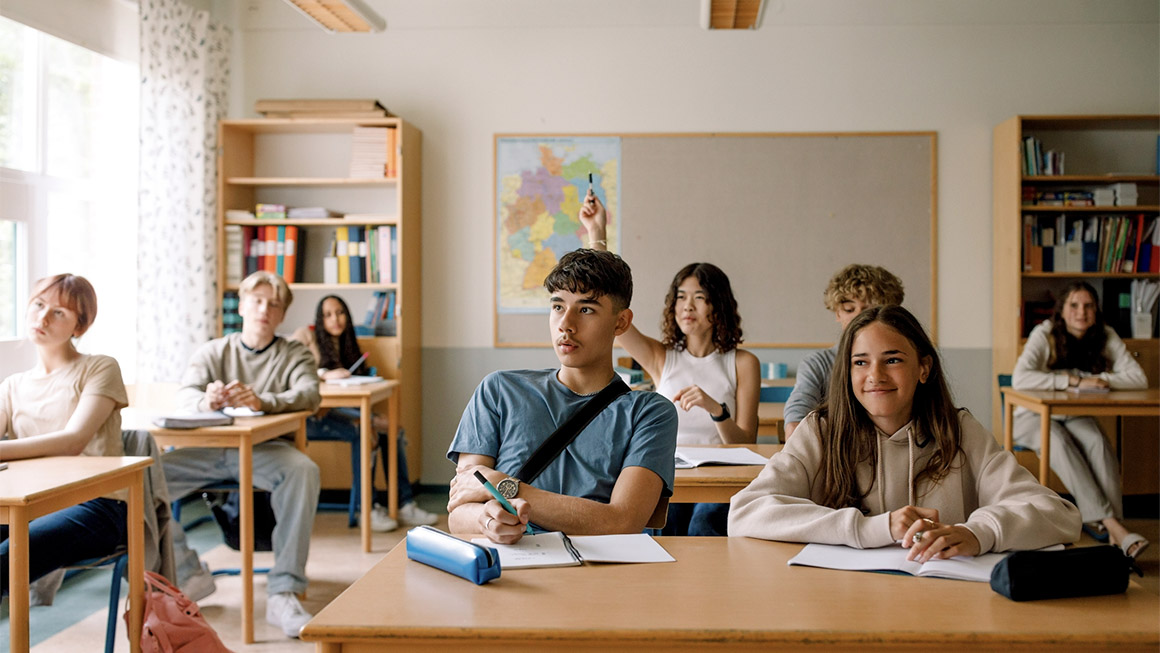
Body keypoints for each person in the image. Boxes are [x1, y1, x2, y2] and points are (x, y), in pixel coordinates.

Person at [729, 305, 1080, 560]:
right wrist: (870, 529)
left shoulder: (958, 431)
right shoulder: (821, 431)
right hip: (838, 603)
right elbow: (745, 512)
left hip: (941, 601)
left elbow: (1058, 513)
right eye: (860, 362)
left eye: (893, 360)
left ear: (923, 368)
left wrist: (979, 532)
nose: (875, 375)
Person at [446, 248, 678, 544]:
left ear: (621, 323)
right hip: (511, 564)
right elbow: (459, 508)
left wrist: (508, 488)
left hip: (600, 574)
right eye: (557, 307)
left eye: (586, 310)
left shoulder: (649, 412)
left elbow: (624, 521)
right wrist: (487, 521)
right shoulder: (499, 390)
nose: (566, 324)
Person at [580, 192, 759, 536]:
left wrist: (716, 409)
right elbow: (609, 304)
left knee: (705, 522)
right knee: (665, 525)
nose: (686, 307)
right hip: (667, 472)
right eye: (680, 297)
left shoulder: (743, 362)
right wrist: (596, 232)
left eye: (699, 298)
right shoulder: (661, 356)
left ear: (718, 306)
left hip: (721, 477)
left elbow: (746, 440)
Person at [162, 271, 321, 639]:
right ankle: (188, 573)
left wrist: (264, 401)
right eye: (257, 300)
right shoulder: (214, 350)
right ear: (242, 305)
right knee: (139, 478)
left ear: (282, 315)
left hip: (266, 450)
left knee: (304, 471)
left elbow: (310, 394)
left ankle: (284, 590)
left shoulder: (293, 352)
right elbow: (184, 394)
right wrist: (207, 400)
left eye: (274, 304)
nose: (264, 309)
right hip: (208, 450)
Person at [0, 274, 131, 596]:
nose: (43, 317)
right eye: (39, 305)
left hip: (95, 503)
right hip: (27, 501)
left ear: (79, 326)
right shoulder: (13, 386)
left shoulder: (99, 367)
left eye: (59, 312)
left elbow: (73, 441)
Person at [1012, 281, 1149, 559]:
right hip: (1031, 416)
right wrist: (1072, 380)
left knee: (1096, 440)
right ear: (1062, 310)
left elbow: (1138, 379)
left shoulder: (1105, 334)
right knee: (1059, 442)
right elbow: (1021, 378)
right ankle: (1113, 526)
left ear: (1096, 310)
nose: (1081, 312)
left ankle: (1112, 529)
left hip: (1071, 414)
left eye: (1088, 306)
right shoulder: (1045, 333)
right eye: (1074, 305)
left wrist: (1101, 380)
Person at [292, 295, 437, 531]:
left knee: (391, 429)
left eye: (340, 313)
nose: (335, 319)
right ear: (319, 319)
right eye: (327, 315)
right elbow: (292, 367)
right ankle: (366, 508)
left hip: (340, 410)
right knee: (364, 429)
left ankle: (403, 504)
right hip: (313, 417)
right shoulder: (307, 337)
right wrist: (322, 374)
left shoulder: (348, 343)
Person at [783, 264, 905, 438]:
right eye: (849, 309)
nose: (859, 317)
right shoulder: (818, 363)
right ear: (837, 313)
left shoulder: (907, 360)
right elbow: (799, 409)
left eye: (870, 309)